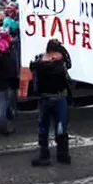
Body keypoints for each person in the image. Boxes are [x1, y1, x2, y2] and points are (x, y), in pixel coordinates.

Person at [30, 39, 72, 167]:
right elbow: (68, 63)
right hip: (58, 98)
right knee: (60, 126)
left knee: (44, 126)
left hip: (46, 98)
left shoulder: (39, 62)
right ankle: (62, 153)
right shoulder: (59, 65)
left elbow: (33, 68)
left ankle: (45, 155)